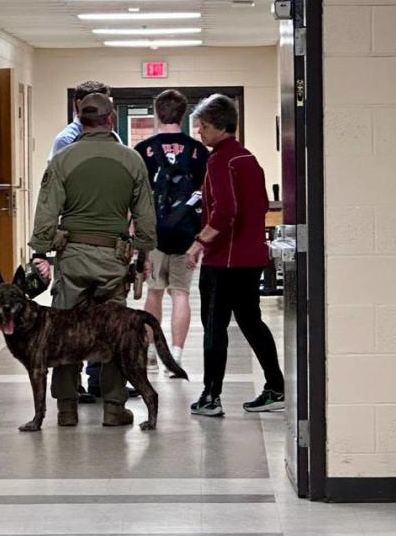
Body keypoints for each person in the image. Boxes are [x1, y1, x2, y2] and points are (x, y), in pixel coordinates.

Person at [31, 93, 156, 427]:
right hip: (113, 260)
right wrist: (142, 251)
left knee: (65, 330)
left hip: (72, 258)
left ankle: (67, 408)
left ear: (79, 118)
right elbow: (145, 217)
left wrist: (40, 250)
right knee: (113, 331)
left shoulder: (62, 160)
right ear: (111, 119)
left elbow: (46, 213)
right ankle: (114, 407)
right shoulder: (131, 160)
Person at [184, 94, 285, 417]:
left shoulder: (220, 160)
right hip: (252, 256)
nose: (199, 132)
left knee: (215, 326)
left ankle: (211, 396)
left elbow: (226, 211)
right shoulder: (247, 158)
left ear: (220, 126)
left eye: (204, 127)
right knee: (250, 320)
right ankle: (275, 386)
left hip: (225, 260)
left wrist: (200, 242)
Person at [134, 89, 209, 374]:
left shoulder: (144, 150)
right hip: (187, 232)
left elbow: (137, 196)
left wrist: (136, 237)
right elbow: (207, 196)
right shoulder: (199, 151)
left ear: (156, 113)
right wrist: (200, 240)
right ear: (184, 114)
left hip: (153, 233)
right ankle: (175, 355)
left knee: (154, 293)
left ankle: (152, 351)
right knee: (181, 293)